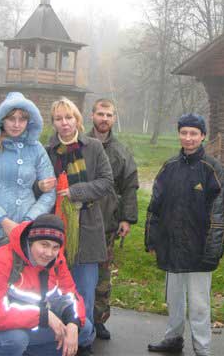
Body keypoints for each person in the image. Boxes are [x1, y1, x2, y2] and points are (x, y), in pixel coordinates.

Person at [145, 113, 224, 356]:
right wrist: (151, 238)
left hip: (200, 248)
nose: (188, 138)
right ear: (179, 134)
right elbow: (155, 205)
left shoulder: (212, 169)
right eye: (184, 132)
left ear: (203, 136)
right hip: (171, 245)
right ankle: (173, 338)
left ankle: (202, 347)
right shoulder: (169, 167)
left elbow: (220, 214)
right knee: (174, 298)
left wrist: (214, 249)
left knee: (199, 303)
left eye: (194, 133)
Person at [0, 214, 95, 356]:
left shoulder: (57, 261)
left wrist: (73, 322)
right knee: (15, 340)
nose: (49, 253)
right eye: (44, 245)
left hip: (22, 321)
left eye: (55, 247)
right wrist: (43, 316)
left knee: (83, 330)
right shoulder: (1, 259)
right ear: (31, 241)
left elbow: (70, 293)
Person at [40, 97, 114, 338]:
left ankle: (83, 339)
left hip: (88, 229)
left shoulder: (94, 147)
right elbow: (35, 189)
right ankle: (57, 338)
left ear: (77, 120)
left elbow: (106, 181)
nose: (64, 123)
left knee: (84, 292)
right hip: (55, 230)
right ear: (53, 122)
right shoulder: (46, 151)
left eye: (69, 117)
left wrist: (76, 192)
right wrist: (39, 186)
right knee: (55, 290)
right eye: (58, 119)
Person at [0, 92, 56, 261]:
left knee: (19, 278)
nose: (16, 124)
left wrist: (29, 221)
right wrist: (3, 221)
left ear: (29, 121)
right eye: (11, 118)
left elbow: (50, 191)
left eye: (22, 119)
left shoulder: (37, 149)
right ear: (1, 120)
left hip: (24, 234)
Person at [87, 98, 139, 340]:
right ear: (92, 116)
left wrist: (126, 219)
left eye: (109, 115)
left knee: (102, 275)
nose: (104, 119)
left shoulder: (121, 152)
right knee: (76, 272)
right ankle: (75, 317)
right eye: (100, 114)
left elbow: (130, 186)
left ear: (114, 119)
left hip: (107, 223)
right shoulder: (79, 144)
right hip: (79, 220)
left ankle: (98, 320)